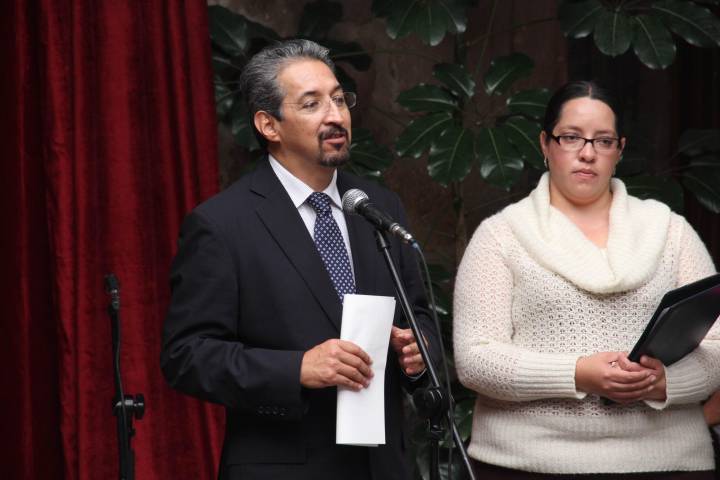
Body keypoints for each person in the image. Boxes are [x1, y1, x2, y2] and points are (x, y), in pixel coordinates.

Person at [161, 39, 436, 480]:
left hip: (382, 466)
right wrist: (296, 369)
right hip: (283, 467)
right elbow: (187, 356)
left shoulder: (377, 206)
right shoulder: (222, 224)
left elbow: (418, 316)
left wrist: (417, 351)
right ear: (268, 125)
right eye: (312, 104)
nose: (335, 116)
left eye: (339, 99)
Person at [453, 80, 720, 479]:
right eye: (571, 137)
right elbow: (475, 359)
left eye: (604, 141)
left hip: (669, 462)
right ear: (545, 144)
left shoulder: (670, 231)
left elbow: (717, 345)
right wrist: (578, 373)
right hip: (527, 463)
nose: (588, 153)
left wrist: (663, 382)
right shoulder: (501, 236)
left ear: (620, 150)